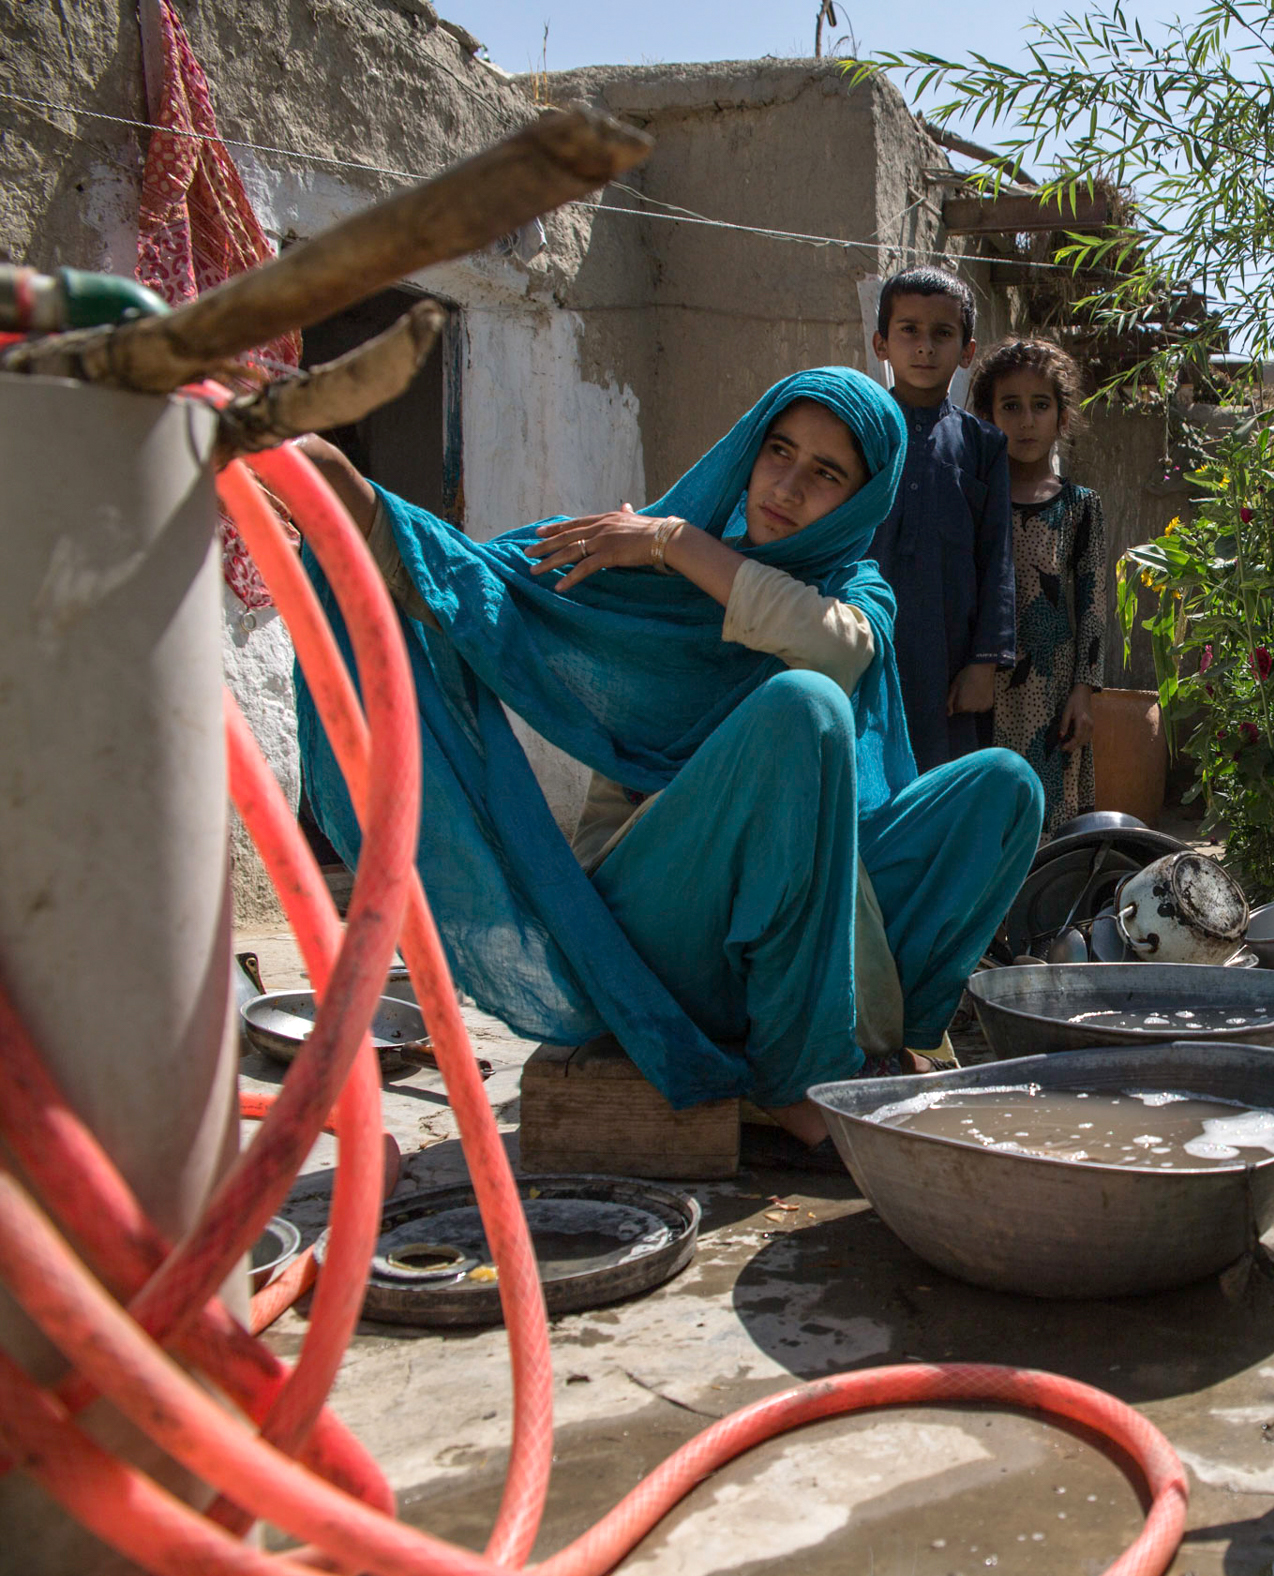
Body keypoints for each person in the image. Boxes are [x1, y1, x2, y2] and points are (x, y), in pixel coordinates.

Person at [291, 367, 1043, 1149]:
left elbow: (832, 648)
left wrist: (675, 539)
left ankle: (895, 1039)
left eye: (826, 474)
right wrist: (354, 501)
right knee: (802, 709)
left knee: (1005, 786)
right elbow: (479, 587)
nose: (786, 486)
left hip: (814, 907)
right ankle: (800, 1083)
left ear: (861, 498)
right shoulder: (642, 573)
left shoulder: (850, 588)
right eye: (777, 452)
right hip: (656, 915)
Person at [868, 265, 1016, 771]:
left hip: (948, 648)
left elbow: (997, 556)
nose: (925, 347)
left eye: (942, 333)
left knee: (942, 773)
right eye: (909, 330)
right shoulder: (856, 430)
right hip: (864, 631)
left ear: (967, 351)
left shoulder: (984, 446)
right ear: (881, 344)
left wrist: (984, 662)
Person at [970, 339, 1109, 836]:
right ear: (988, 415)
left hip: (1053, 693)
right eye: (1011, 406)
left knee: (1050, 818)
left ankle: (1047, 913)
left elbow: (1092, 604)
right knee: (985, 814)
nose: (1026, 421)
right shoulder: (974, 497)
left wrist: (1083, 693)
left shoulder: (1079, 506)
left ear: (1062, 418)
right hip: (982, 686)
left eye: (1040, 406)